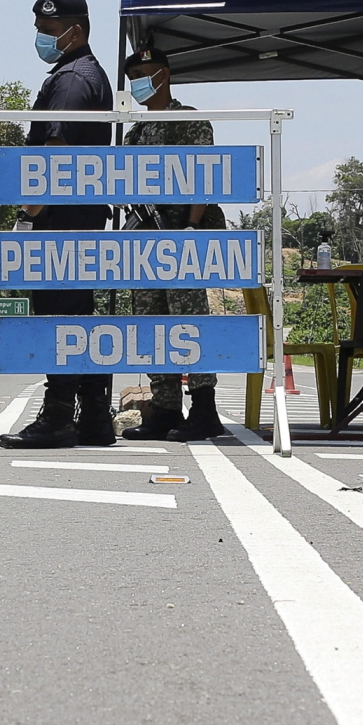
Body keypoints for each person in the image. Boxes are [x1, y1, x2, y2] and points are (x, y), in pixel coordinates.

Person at [0, 0, 117, 449]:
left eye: (47, 31)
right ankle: (93, 418)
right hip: (81, 215)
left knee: (60, 318)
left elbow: (55, 154)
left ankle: (59, 417)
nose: (41, 39)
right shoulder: (89, 74)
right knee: (79, 314)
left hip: (61, 217)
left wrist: (29, 214)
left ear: (76, 30)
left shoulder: (71, 80)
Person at [117, 43, 230, 442]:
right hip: (146, 241)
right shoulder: (136, 131)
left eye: (143, 76)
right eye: (132, 79)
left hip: (181, 234)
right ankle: (165, 407)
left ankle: (204, 408)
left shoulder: (186, 120)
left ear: (162, 74)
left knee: (187, 320)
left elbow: (204, 175)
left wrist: (192, 226)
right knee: (151, 321)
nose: (137, 85)